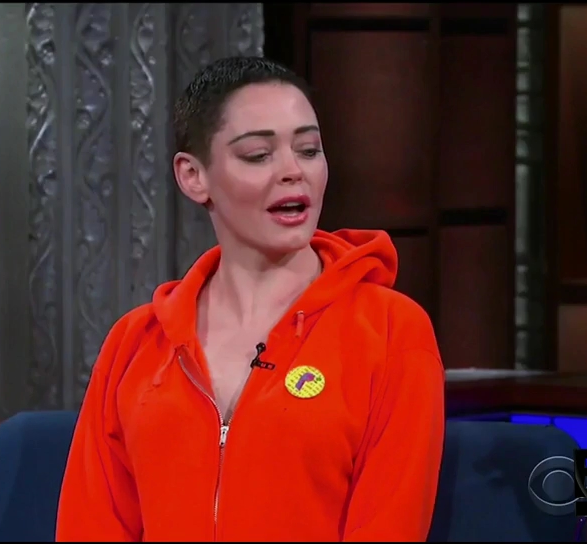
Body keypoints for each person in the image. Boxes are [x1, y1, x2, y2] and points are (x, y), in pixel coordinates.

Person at [56, 56, 446, 542]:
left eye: (309, 150)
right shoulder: (135, 343)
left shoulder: (390, 332)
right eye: (259, 155)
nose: (293, 171)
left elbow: (390, 525)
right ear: (193, 176)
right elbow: (91, 526)